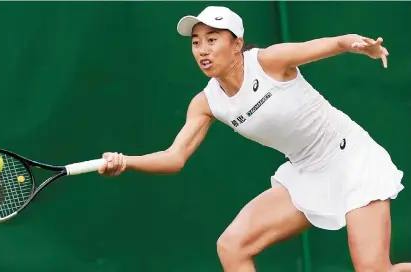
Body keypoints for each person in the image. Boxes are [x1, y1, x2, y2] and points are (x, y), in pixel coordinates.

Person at [97, 6, 410, 272]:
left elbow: (337, 42)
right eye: (196, 42)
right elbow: (174, 158)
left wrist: (362, 45)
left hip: (351, 158)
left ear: (237, 44)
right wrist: (126, 161)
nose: (202, 50)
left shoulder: (270, 61)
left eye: (212, 39)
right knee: (232, 246)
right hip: (307, 172)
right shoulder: (206, 103)